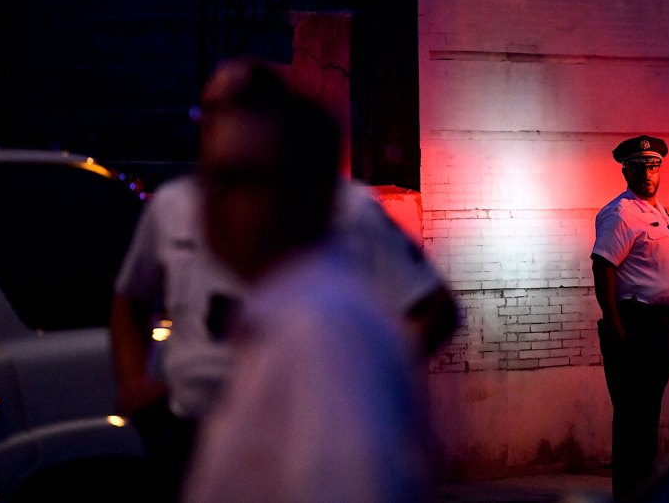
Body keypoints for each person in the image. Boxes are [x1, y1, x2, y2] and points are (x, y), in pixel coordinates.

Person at [110, 59, 456, 501]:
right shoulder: (278, 316)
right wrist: (137, 384)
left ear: (298, 190)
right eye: (207, 113)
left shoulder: (319, 331)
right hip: (185, 422)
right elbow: (130, 298)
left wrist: (379, 364)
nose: (213, 202)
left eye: (239, 179)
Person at [591, 135, 669, 502]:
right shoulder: (621, 214)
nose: (647, 173)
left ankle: (643, 492)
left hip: (662, 328)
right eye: (639, 167)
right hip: (636, 327)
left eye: (653, 166)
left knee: (647, 418)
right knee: (634, 422)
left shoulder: (658, 211)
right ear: (625, 170)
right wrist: (616, 326)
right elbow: (603, 267)